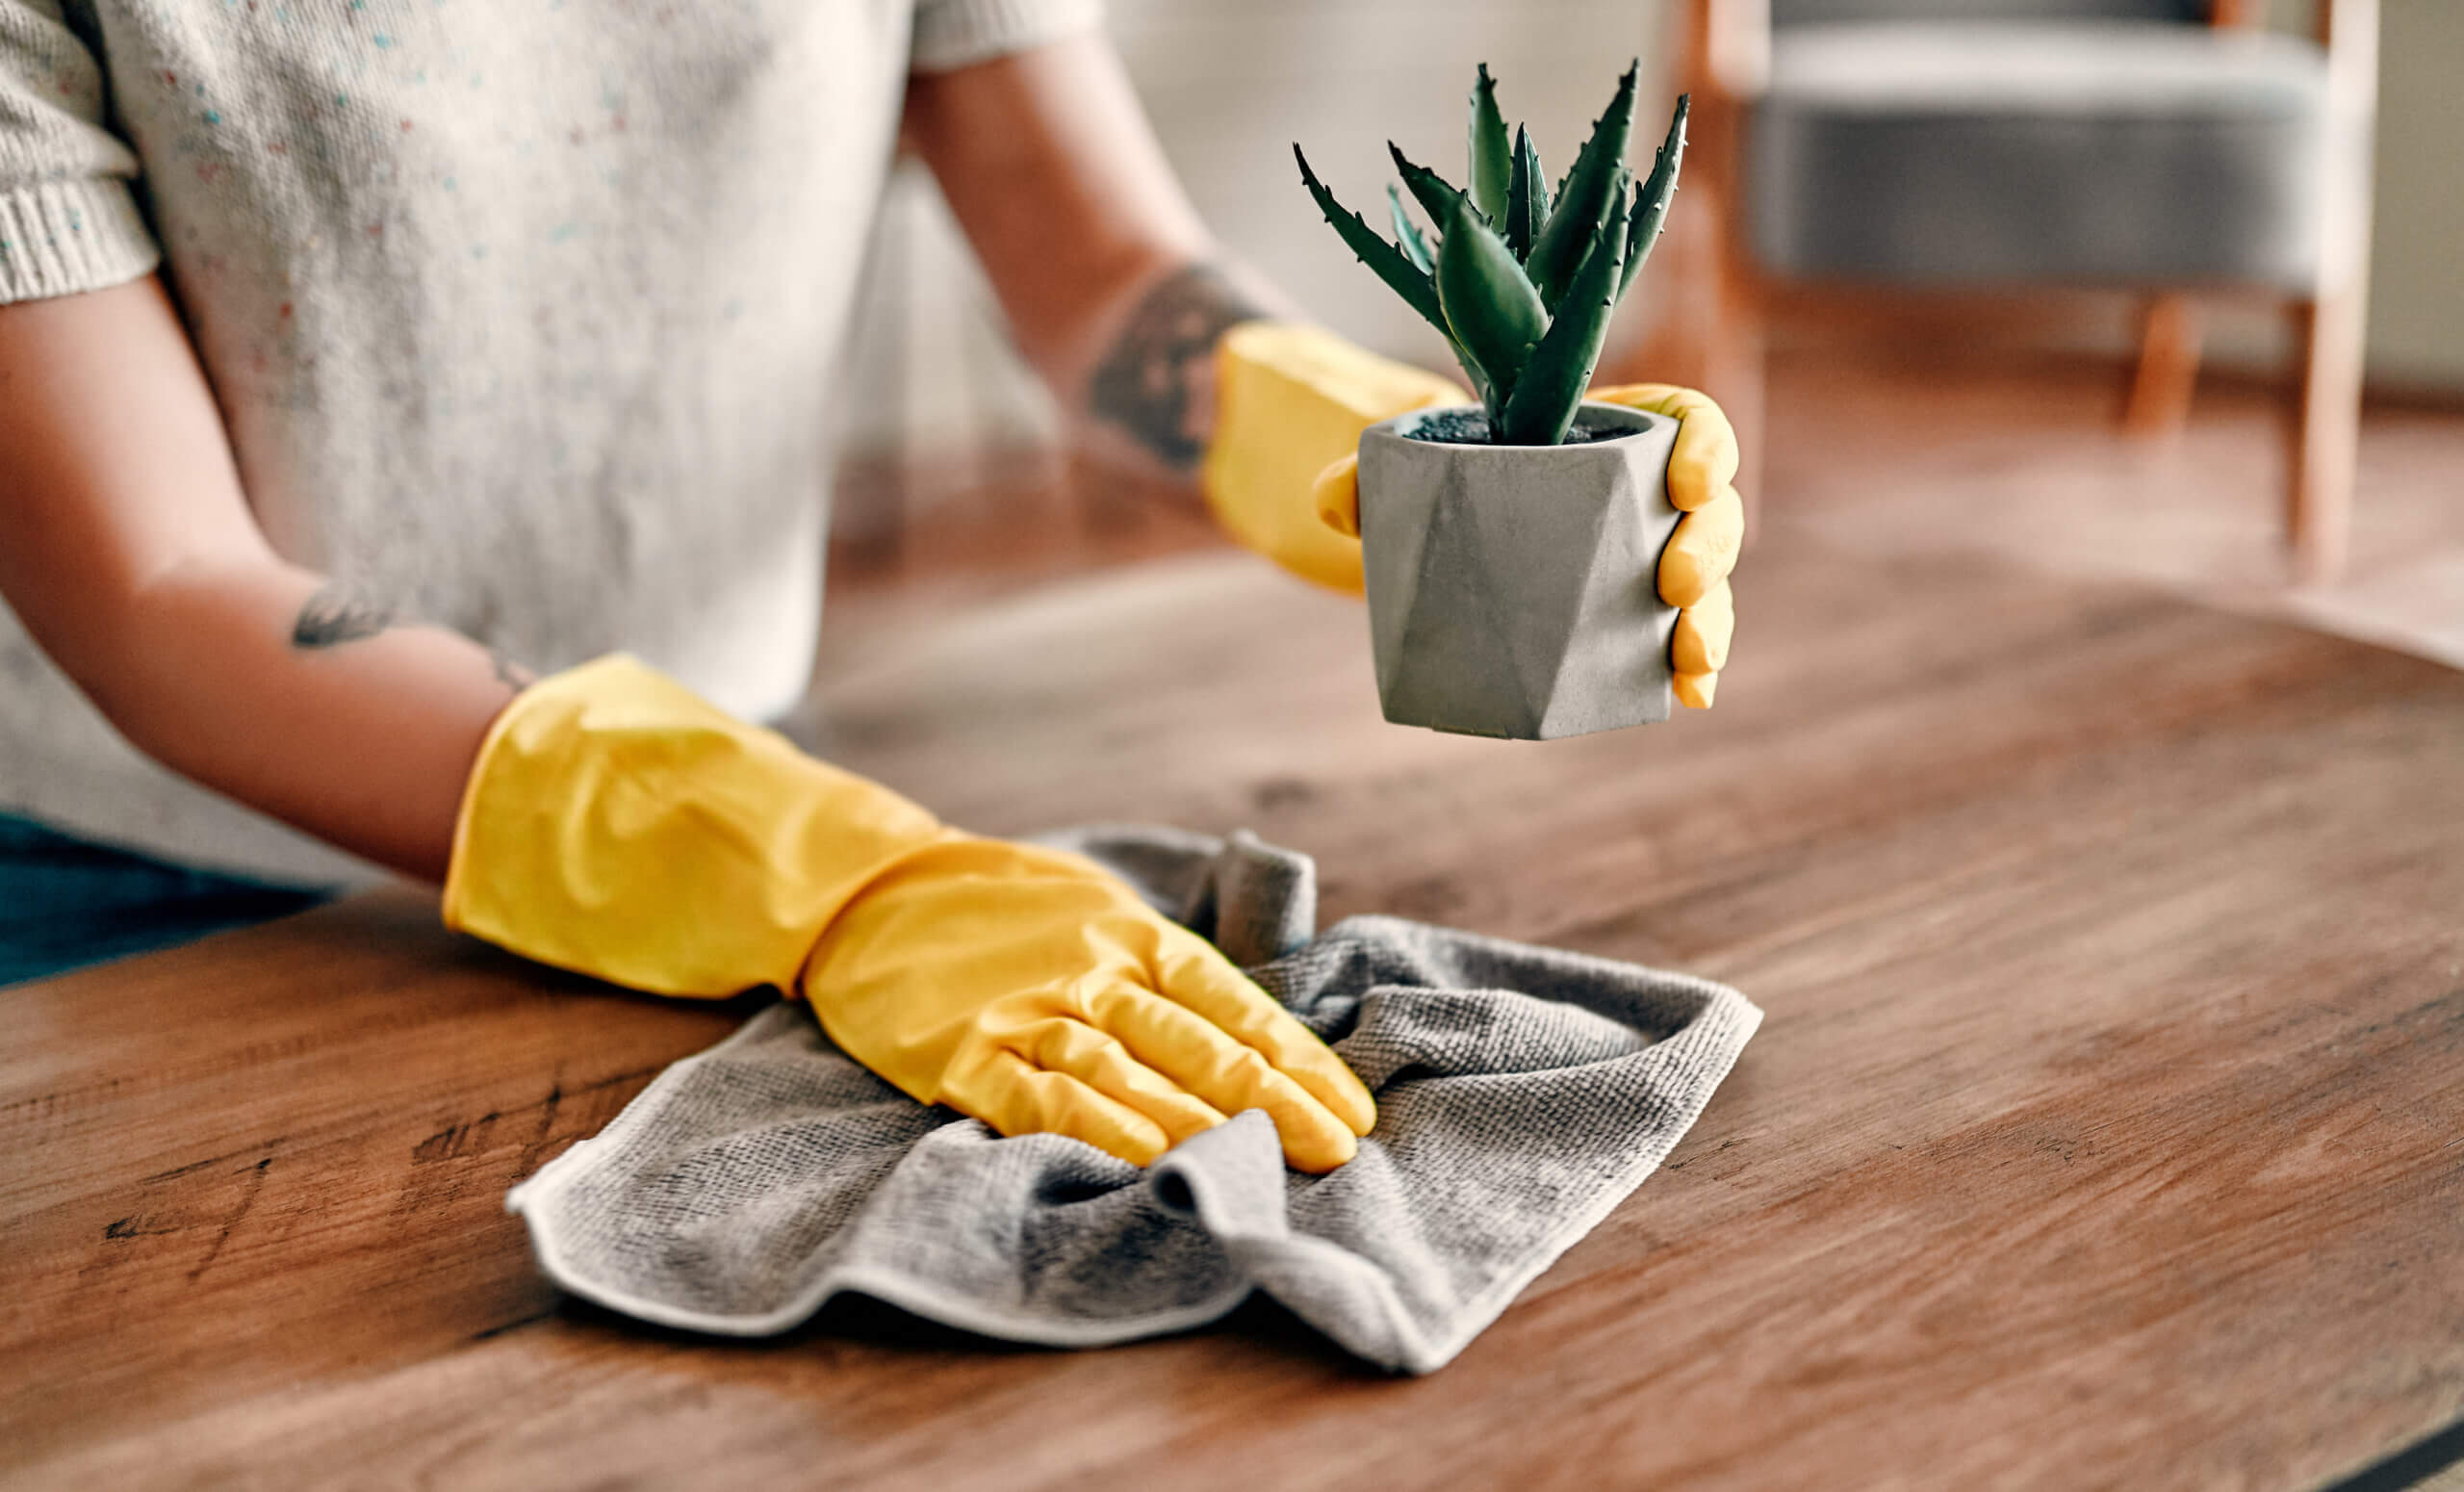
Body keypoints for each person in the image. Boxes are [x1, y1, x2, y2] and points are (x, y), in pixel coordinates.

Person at [0, 2, 1740, 1170]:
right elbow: (162, 583)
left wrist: (1377, 440)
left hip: (732, 804)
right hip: (156, 901)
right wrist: (831, 876)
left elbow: (1098, 262)